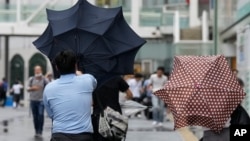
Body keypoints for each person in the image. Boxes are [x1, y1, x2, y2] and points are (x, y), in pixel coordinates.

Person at [43, 50, 97, 141]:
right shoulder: (88, 79)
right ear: (75, 65)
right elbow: (94, 84)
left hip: (59, 136)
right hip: (84, 136)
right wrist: (80, 75)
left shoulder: (48, 88)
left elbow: (51, 114)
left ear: (56, 67)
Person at [92, 76, 133, 141]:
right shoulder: (117, 78)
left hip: (98, 115)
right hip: (115, 115)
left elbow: (91, 102)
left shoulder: (93, 80)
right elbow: (130, 95)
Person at [27, 65, 48, 138]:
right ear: (34, 71)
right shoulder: (31, 79)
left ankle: (40, 131)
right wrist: (33, 88)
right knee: (35, 116)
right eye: (36, 70)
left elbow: (48, 88)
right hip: (33, 100)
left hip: (41, 101)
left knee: (40, 115)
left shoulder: (44, 80)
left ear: (41, 70)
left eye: (38, 70)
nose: (37, 71)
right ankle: (36, 131)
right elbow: (27, 88)